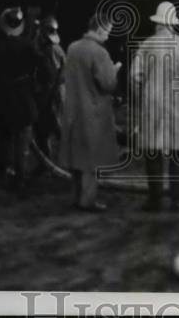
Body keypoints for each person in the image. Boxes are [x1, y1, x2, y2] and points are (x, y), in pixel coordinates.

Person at [130, 1, 179, 212]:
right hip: (177, 103)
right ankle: (178, 199)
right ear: (173, 23)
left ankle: (154, 200)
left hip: (152, 103)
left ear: (157, 23)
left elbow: (134, 77)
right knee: (178, 151)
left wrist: (141, 99)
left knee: (153, 151)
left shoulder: (146, 45)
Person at [58, 14, 122, 212]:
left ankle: (76, 197)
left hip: (73, 110)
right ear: (100, 29)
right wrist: (114, 70)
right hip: (93, 112)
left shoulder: (72, 48)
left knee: (76, 156)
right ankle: (87, 201)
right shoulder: (100, 53)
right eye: (108, 32)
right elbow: (107, 84)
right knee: (91, 159)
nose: (108, 36)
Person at [0, 6, 41, 195]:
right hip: (23, 100)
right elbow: (42, 70)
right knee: (22, 143)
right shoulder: (28, 46)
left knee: (4, 140)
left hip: (1, 99)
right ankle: (20, 179)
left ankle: (1, 176)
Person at [33, 15, 66, 163]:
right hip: (55, 91)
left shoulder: (51, 50)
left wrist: (47, 94)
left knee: (53, 127)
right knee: (46, 129)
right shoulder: (52, 48)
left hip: (53, 92)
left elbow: (52, 75)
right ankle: (46, 162)